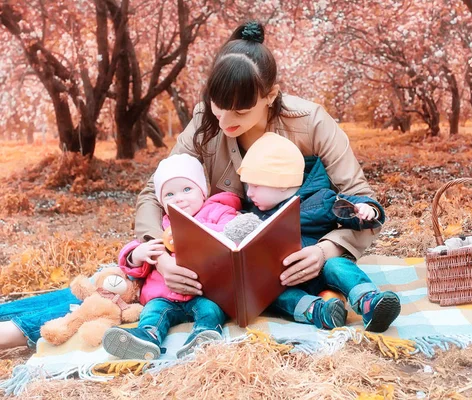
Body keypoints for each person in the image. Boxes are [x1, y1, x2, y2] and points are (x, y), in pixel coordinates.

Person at [0, 19, 386, 350]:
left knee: (120, 295)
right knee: (112, 287)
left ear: (270, 96)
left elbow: (365, 202)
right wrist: (160, 256)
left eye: (240, 109)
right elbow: (154, 192)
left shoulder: (311, 123)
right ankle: (9, 330)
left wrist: (324, 251)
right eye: (218, 103)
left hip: (288, 266)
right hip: (201, 262)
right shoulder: (205, 120)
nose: (225, 118)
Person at [238, 132, 400, 332]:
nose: (248, 193)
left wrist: (365, 210)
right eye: (247, 185)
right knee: (271, 294)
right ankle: (319, 312)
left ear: (281, 184)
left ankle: (369, 301)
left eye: (254, 185)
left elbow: (346, 207)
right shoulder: (254, 212)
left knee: (338, 265)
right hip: (285, 281)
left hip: (321, 269)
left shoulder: (320, 200)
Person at [102, 154, 241, 360]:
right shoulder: (163, 224)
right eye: (169, 194)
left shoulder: (217, 212)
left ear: (202, 192)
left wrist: (196, 231)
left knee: (211, 310)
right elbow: (138, 256)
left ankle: (204, 336)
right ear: (161, 202)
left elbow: (232, 231)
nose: (179, 198)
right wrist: (138, 255)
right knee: (153, 312)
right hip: (164, 295)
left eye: (187, 189)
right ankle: (147, 337)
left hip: (204, 293)